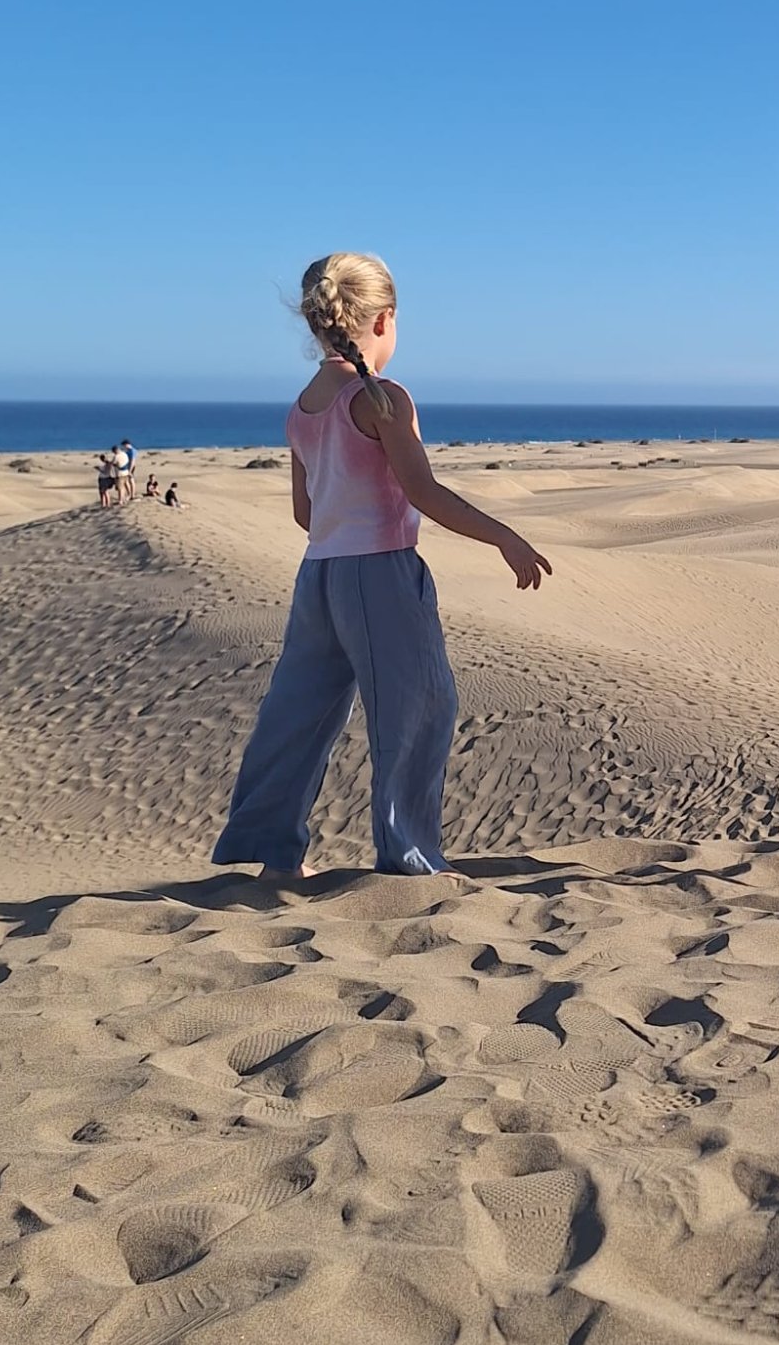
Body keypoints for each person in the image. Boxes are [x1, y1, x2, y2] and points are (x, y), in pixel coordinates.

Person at [212, 251, 552, 880]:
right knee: (418, 707)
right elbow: (424, 492)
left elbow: (305, 514)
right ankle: (411, 857)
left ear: (317, 322)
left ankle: (268, 853)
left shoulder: (303, 407)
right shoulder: (382, 398)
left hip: (319, 577)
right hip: (382, 575)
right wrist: (504, 536)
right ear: (384, 320)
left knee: (300, 712)